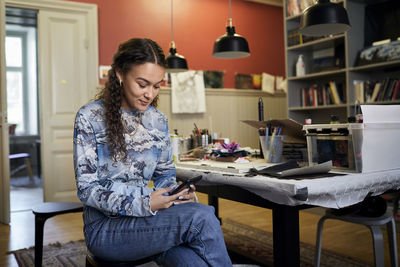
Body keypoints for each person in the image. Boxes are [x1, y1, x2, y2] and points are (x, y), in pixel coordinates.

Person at [73, 38, 232, 266]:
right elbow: (87, 190)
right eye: (142, 84)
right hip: (106, 230)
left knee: (191, 262)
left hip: (150, 220)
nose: (150, 94)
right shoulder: (89, 117)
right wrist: (145, 203)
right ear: (120, 73)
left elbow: (165, 176)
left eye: (156, 86)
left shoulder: (157, 120)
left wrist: (177, 194)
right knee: (203, 216)